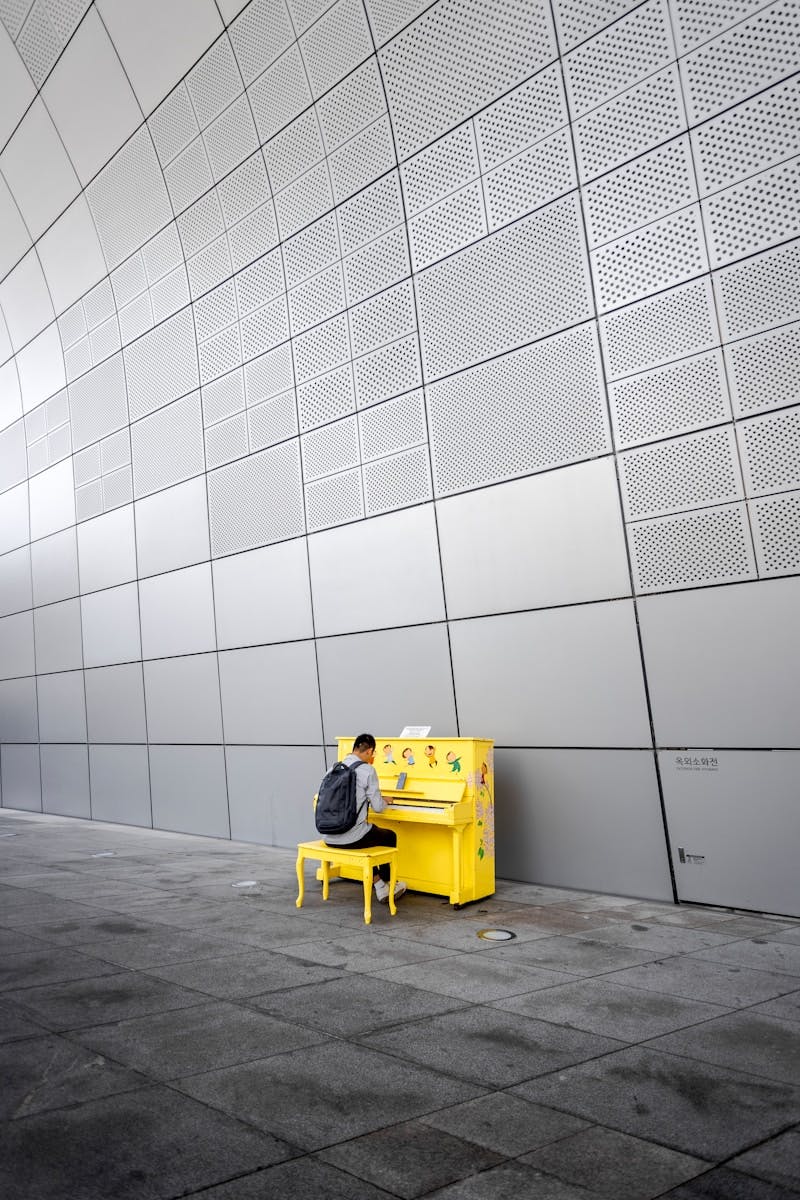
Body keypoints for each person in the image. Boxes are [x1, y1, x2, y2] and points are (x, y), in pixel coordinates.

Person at [323, 733, 407, 903]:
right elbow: (378, 808)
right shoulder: (367, 770)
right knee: (389, 836)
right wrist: (384, 800)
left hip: (329, 835)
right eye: (373, 754)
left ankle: (378, 884)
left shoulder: (333, 768)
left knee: (371, 833)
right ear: (369, 751)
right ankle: (388, 885)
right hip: (352, 838)